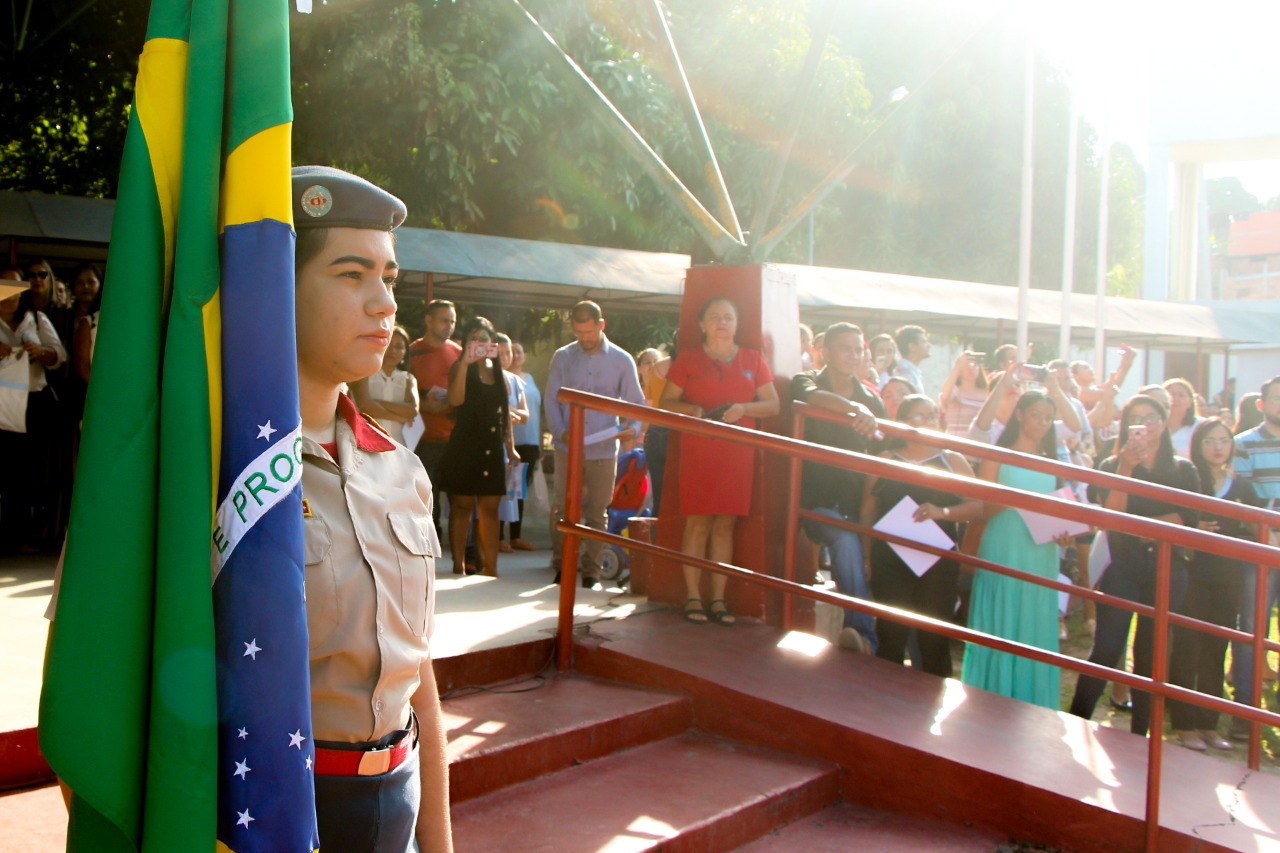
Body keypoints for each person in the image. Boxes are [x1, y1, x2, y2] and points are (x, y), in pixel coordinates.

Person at [289, 165, 451, 851]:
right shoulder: (202, 473)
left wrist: (438, 842)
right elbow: (101, 697)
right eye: (352, 274)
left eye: (388, 277)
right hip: (271, 813)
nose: (385, 303)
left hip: (395, 803)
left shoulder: (399, 467)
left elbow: (418, 679)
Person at [1068, 395, 1200, 738]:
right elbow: (1111, 516)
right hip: (1121, 564)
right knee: (1108, 646)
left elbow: (1187, 519)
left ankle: (1143, 734)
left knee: (1151, 653)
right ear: (1126, 427)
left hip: (1167, 566)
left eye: (1152, 417)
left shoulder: (1183, 469)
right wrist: (1126, 469)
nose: (1145, 426)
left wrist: (1140, 526)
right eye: (1136, 419)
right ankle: (1076, 718)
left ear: (1163, 422)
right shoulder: (1111, 465)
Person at [660, 296, 779, 625]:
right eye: (714, 316)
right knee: (698, 522)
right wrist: (693, 410)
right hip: (699, 447)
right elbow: (665, 402)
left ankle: (718, 599)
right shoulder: (689, 359)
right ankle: (693, 597)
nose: (722, 322)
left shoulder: (753, 359)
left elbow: (773, 405)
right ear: (702, 324)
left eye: (728, 316)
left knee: (725, 524)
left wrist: (744, 409)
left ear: (737, 323)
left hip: (738, 450)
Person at [861, 395, 982, 677]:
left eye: (929, 416)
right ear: (902, 422)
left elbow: (978, 505)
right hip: (890, 558)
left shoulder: (952, 459)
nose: (923, 422)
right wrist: (867, 555)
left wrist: (944, 511)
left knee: (934, 637)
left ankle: (933, 706)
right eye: (915, 416)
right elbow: (868, 509)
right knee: (891, 632)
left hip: (938, 560)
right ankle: (880, 706)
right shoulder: (886, 459)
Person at [961, 390, 1065, 709]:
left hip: (1041, 551)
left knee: (1034, 612)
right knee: (1003, 607)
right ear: (1019, 414)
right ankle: (992, 691)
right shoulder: (998, 454)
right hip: (1004, 543)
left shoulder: (1055, 462)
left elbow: (1062, 509)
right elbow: (981, 505)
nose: (1042, 423)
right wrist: (1009, 499)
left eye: (1048, 417)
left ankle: (1032, 696)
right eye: (1036, 415)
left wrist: (1065, 532)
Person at [791, 322, 883, 652]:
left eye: (858, 350)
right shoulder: (807, 380)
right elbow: (811, 397)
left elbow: (884, 451)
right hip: (817, 504)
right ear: (825, 351)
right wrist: (853, 409)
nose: (853, 356)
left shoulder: (872, 398)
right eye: (845, 348)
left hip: (861, 505)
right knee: (845, 539)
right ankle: (863, 635)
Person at [544, 300, 646, 588]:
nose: (585, 338)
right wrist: (560, 432)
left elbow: (636, 404)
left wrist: (632, 429)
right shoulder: (563, 357)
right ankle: (562, 564)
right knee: (563, 507)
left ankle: (592, 570)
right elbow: (552, 399)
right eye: (579, 332)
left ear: (601, 325)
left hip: (603, 448)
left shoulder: (622, 359)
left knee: (598, 510)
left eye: (589, 332)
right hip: (568, 447)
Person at [1169, 417, 1254, 751]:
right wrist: (1195, 527)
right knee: (1187, 645)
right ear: (1197, 444)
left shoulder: (1242, 487)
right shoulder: (1188, 479)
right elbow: (1175, 518)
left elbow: (1254, 527)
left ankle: (1208, 723)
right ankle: (1184, 724)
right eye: (1210, 440)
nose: (1218, 447)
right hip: (1192, 573)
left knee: (1217, 648)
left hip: (1228, 577)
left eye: (1224, 440)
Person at [435, 317, 521, 577]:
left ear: (492, 343)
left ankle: (490, 566)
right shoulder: (459, 367)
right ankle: (459, 564)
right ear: (465, 342)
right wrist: (465, 363)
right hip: (464, 444)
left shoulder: (499, 374)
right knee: (462, 505)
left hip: (491, 446)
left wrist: (511, 446)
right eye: (474, 338)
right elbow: (456, 399)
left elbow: (504, 413)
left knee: (490, 508)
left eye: (485, 338)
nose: (480, 343)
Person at [1229, 375, 1280, 739]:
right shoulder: (1242, 445)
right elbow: (1242, 495)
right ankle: (1244, 713)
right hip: (1260, 548)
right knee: (1251, 628)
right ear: (1261, 404)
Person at [408, 300, 460, 537]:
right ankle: (430, 539)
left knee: (459, 497)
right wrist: (421, 403)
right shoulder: (410, 352)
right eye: (444, 320)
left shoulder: (459, 354)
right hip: (422, 438)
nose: (449, 326)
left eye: (452, 321)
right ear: (429, 320)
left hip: (455, 437)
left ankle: (463, 553)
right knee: (426, 494)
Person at [352, 325, 419, 446]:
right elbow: (365, 406)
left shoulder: (408, 379)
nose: (392, 350)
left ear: (405, 352)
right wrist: (399, 418)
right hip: (364, 442)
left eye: (399, 347)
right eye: (388, 344)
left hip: (398, 444)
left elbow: (412, 410)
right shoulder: (363, 372)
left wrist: (374, 402)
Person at [494, 332, 529, 553]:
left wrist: (507, 411)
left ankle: (509, 535)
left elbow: (525, 415)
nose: (505, 357)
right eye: (500, 352)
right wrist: (506, 413)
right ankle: (494, 537)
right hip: (492, 441)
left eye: (507, 352)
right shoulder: (485, 377)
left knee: (511, 492)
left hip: (511, 443)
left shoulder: (516, 381)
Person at [507, 340, 542, 551]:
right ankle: (501, 537)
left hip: (530, 442)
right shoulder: (503, 379)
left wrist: (539, 443)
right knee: (508, 490)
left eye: (519, 351)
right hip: (513, 442)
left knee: (520, 491)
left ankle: (515, 536)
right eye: (512, 352)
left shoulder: (530, 379)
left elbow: (535, 413)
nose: (516, 355)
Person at [938, 350, 988, 438]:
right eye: (966, 366)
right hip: (955, 441)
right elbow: (945, 397)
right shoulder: (955, 391)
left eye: (974, 365)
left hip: (978, 442)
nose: (971, 368)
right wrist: (957, 367)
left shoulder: (987, 393)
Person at [1163, 377, 1200, 457]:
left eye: (1181, 395)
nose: (1175, 399)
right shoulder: (1153, 425)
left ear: (1190, 402)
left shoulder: (1200, 426)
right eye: (1171, 394)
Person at [891, 324, 930, 394]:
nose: (929, 345)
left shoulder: (910, 371)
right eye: (924, 342)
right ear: (912, 347)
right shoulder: (906, 374)